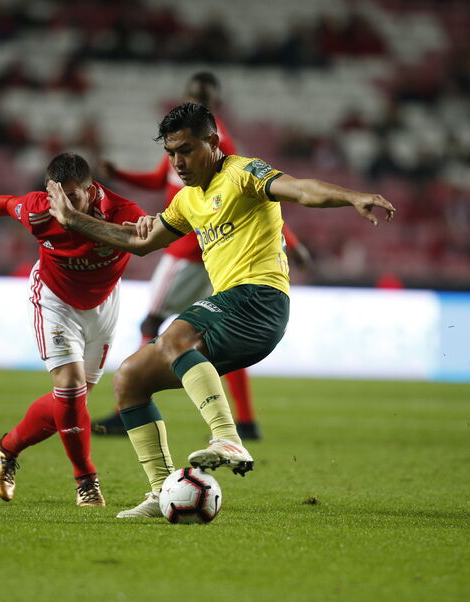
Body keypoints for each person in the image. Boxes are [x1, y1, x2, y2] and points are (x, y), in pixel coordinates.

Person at [46, 103, 395, 517]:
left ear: (213, 142)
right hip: (234, 312)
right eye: (171, 152)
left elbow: (301, 189)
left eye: (187, 150)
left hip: (260, 298)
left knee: (176, 333)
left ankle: (227, 436)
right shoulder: (187, 200)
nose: (178, 161)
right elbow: (140, 243)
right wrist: (73, 221)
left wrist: (353, 197)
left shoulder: (243, 173)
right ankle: (162, 493)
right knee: (130, 378)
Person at [94, 71, 311, 440]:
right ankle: (245, 420)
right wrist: (124, 175)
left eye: (205, 95)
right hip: (215, 252)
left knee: (153, 324)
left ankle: (126, 405)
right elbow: (163, 177)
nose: (178, 159)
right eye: (195, 93)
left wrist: (290, 237)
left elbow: (253, 194)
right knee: (224, 332)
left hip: (190, 249)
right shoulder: (186, 140)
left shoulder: (212, 142)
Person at [0, 152, 146, 507]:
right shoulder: (38, 210)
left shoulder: (124, 214)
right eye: (54, 193)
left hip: (103, 305)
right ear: (47, 189)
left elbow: (145, 240)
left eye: (72, 196)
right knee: (70, 389)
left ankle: (6, 448)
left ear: (91, 192)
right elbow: (7, 203)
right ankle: (86, 481)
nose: (61, 202)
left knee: (72, 402)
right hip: (55, 300)